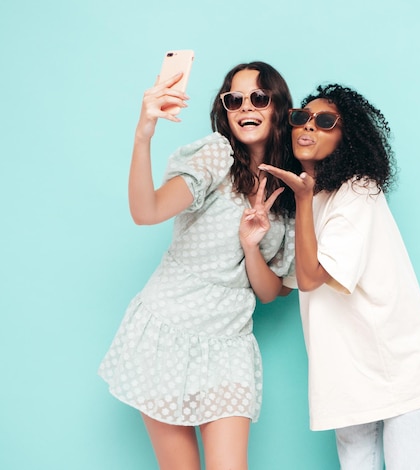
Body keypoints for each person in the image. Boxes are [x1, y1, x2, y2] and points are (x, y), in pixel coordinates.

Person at [98, 61, 297, 470]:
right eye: (234, 100)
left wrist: (251, 245)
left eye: (259, 97)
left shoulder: (291, 190)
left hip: (228, 343)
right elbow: (147, 211)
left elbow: (270, 292)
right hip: (166, 333)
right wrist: (143, 133)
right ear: (224, 110)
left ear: (278, 107)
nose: (246, 107)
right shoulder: (215, 157)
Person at [259, 84, 420, 470]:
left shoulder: (358, 191)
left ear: (346, 138)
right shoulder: (309, 200)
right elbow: (283, 285)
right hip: (346, 380)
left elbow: (313, 276)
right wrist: (252, 242)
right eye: (302, 117)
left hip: (401, 369)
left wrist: (300, 199)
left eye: (326, 121)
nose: (309, 126)